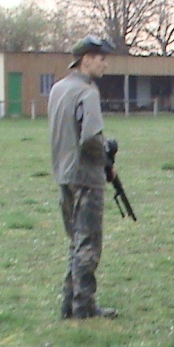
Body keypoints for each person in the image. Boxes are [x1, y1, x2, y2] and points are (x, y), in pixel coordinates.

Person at [48, 35, 118, 320]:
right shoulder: (87, 92)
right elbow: (90, 138)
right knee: (88, 244)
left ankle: (69, 303)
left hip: (63, 173)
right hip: (86, 177)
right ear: (86, 59)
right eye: (101, 57)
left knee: (75, 241)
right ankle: (84, 306)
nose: (105, 63)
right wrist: (106, 161)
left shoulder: (58, 89)